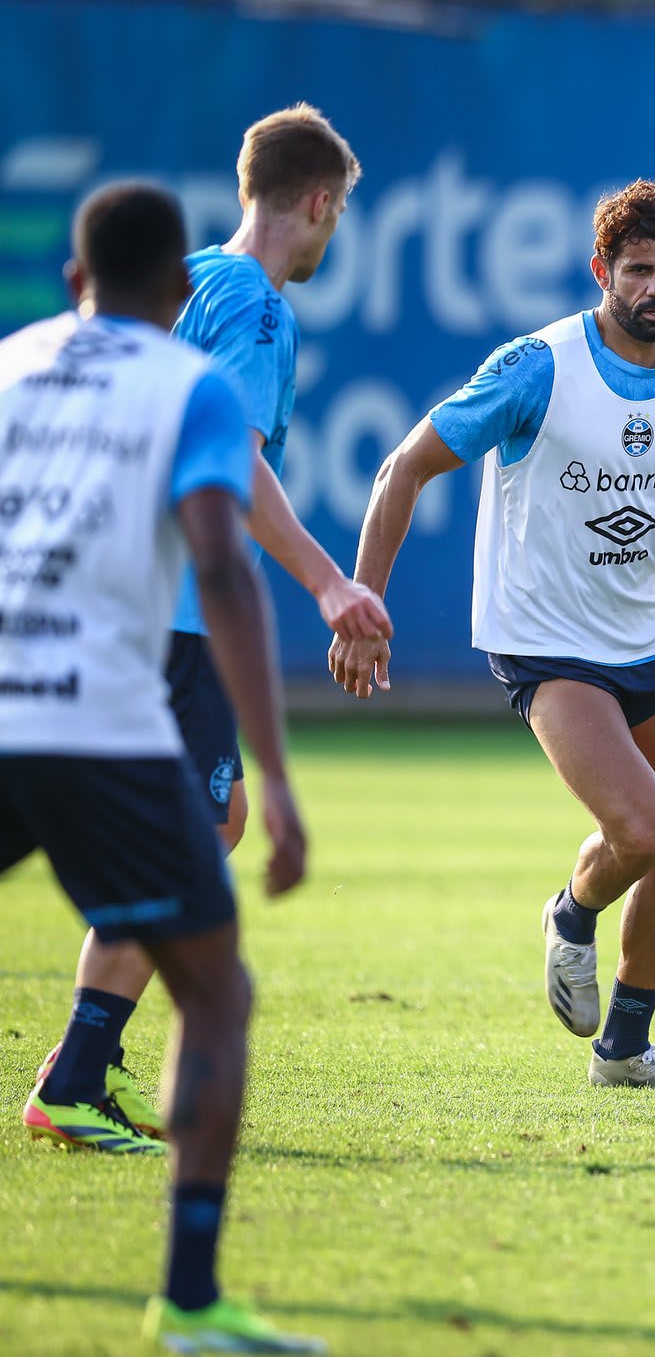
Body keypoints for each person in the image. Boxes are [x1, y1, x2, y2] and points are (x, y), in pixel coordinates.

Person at [330, 180, 655, 1088]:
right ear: (601, 272)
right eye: (638, 270)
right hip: (545, 640)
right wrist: (363, 602)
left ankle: (624, 1050)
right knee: (645, 828)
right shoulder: (539, 364)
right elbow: (403, 466)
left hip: (649, 634)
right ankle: (572, 915)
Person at [22, 105, 389, 1151]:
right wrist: (329, 582)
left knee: (195, 829)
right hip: (178, 620)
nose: (332, 234)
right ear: (317, 202)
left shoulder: (183, 280)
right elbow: (233, 464)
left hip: (104, 604)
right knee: (195, 833)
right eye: (338, 213)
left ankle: (88, 1060)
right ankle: (78, 1078)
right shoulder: (260, 309)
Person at [0, 181, 322, 1353]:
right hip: (91, 718)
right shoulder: (188, 382)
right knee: (216, 990)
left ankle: (81, 1075)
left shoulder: (10, 361)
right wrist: (277, 777)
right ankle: (190, 1299)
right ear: (180, 292)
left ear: (75, 282)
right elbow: (223, 569)